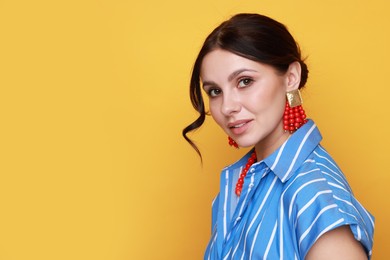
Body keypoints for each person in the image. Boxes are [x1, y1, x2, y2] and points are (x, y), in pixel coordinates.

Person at [182, 13, 374, 259]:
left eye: (245, 81)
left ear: (291, 78)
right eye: (215, 91)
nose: (227, 106)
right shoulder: (239, 183)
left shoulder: (316, 197)